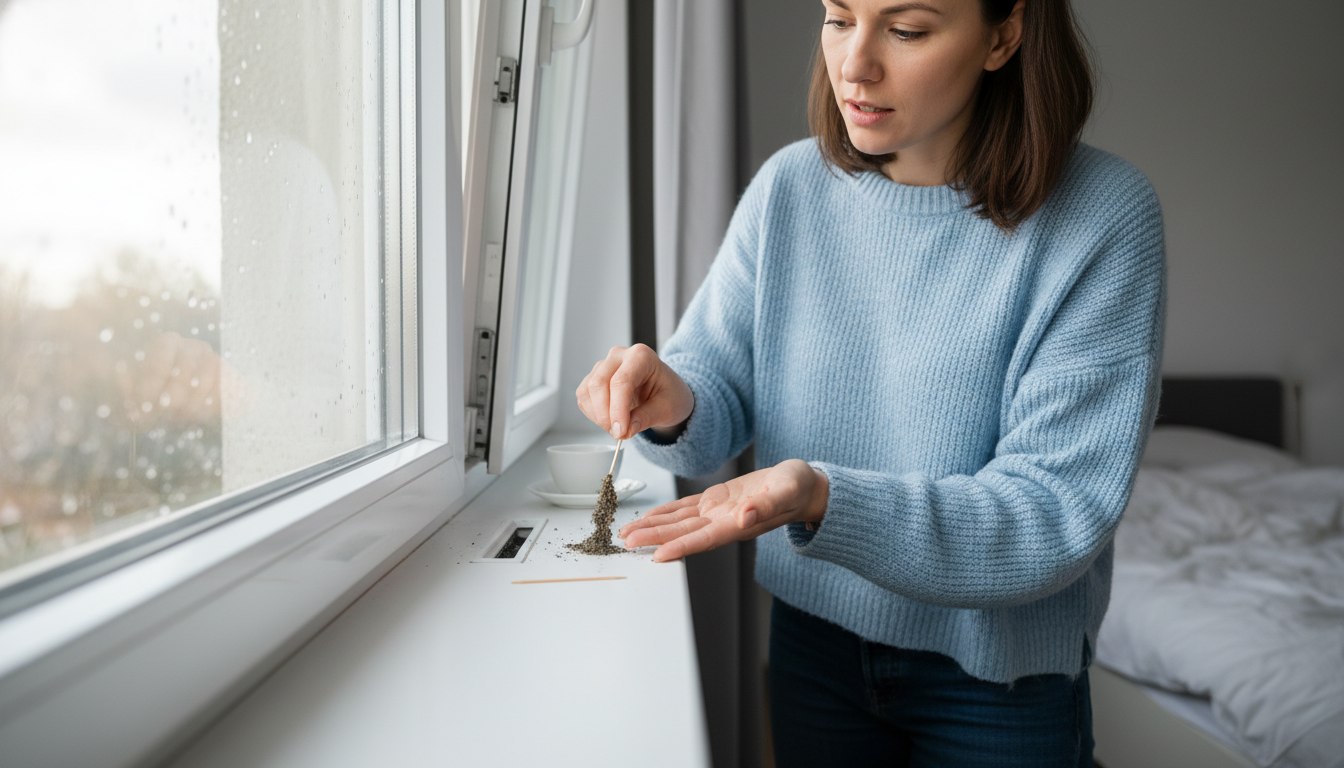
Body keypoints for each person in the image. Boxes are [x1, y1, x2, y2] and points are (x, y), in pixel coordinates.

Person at [577, 0, 1163, 764]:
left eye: (907, 29)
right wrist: (671, 400)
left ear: (1004, 35)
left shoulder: (1104, 218)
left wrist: (822, 495)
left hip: (997, 679)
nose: (855, 63)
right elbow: (711, 412)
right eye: (837, 18)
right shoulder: (790, 188)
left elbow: (1052, 516)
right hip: (814, 647)